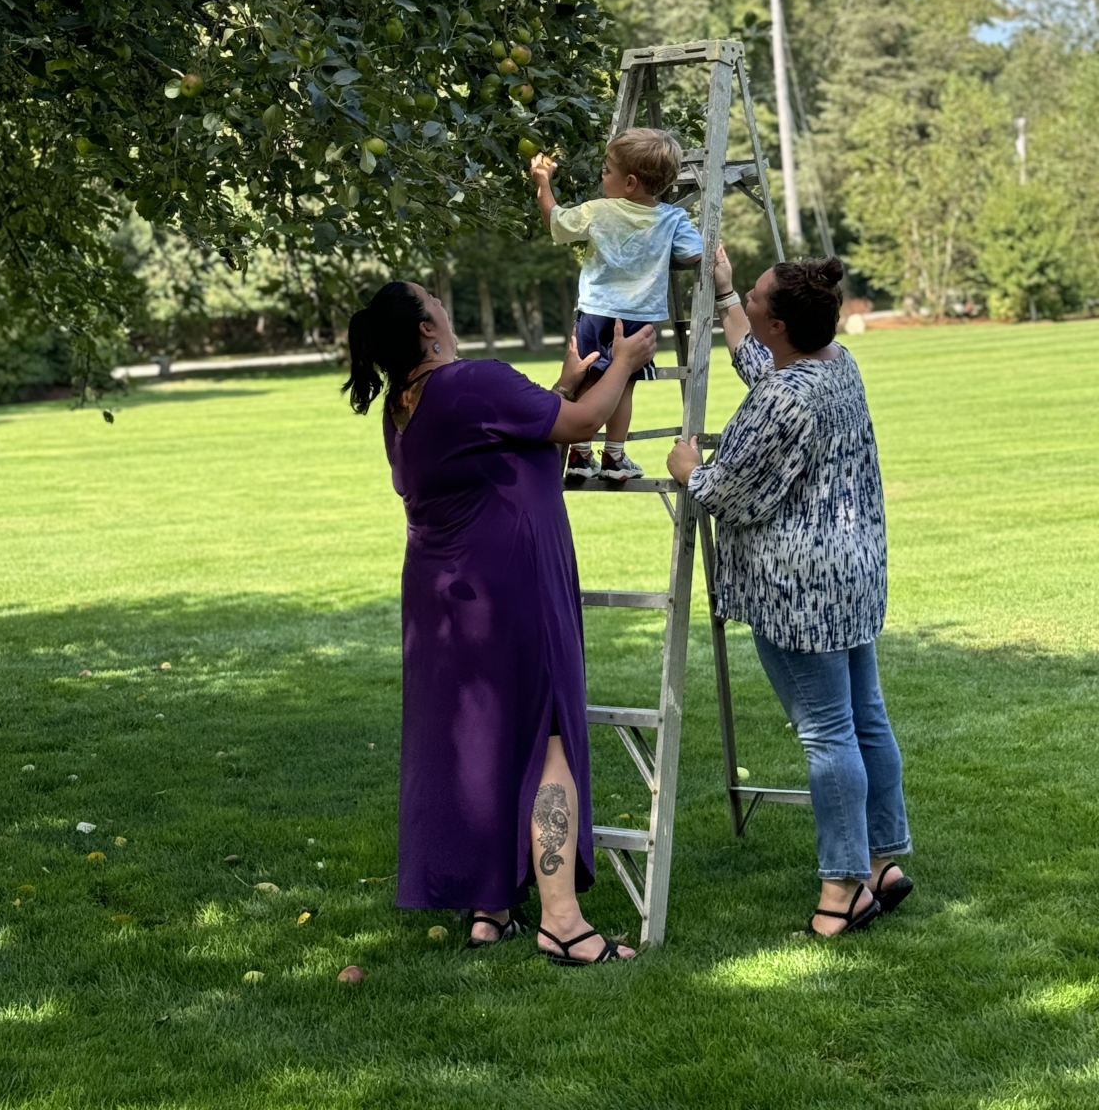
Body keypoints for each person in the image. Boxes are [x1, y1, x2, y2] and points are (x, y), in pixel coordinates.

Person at [344, 280, 658, 963]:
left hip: (443, 599)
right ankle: (563, 923)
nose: (443, 302)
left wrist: (563, 385)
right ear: (427, 327)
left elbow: (511, 439)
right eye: (433, 297)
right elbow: (579, 425)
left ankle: (491, 908)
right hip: (510, 587)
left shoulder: (404, 405)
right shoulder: (473, 381)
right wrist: (627, 364)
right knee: (547, 738)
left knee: (483, 741)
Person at [667, 245, 913, 937]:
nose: (747, 296)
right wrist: (723, 295)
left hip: (799, 587)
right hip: (851, 571)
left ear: (777, 324)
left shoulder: (787, 396)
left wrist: (689, 469)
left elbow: (732, 493)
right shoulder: (836, 365)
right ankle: (881, 862)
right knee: (865, 718)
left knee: (827, 732)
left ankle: (843, 889)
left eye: (753, 295)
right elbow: (765, 370)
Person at [531, 128, 702, 485]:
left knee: (588, 377)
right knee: (623, 383)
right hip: (639, 319)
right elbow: (692, 254)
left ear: (630, 183)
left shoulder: (598, 211)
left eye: (606, 170)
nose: (602, 176)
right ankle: (614, 454)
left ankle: (580, 454)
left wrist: (543, 181)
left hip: (595, 312)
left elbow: (555, 220)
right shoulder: (671, 218)